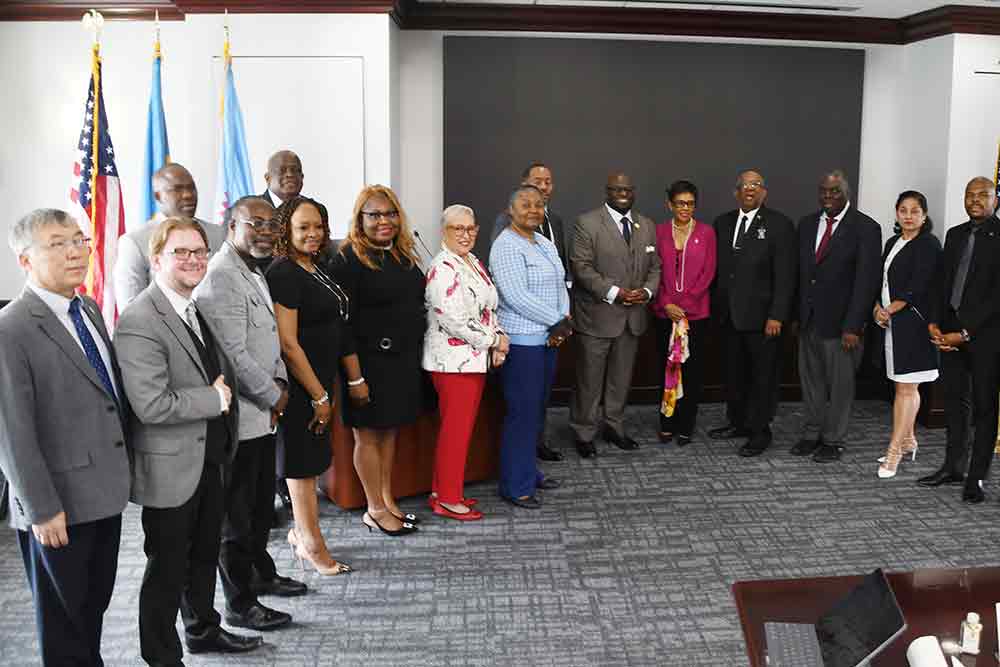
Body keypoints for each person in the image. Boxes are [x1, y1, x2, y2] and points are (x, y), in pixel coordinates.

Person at [114, 218, 262, 664]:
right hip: (171, 469)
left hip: (208, 459)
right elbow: (151, 405)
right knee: (166, 568)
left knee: (202, 556)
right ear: (156, 260)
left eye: (199, 251)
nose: (194, 259)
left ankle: (202, 630)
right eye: (181, 252)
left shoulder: (191, 306)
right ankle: (161, 656)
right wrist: (213, 399)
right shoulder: (140, 319)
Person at [0, 209, 130, 665]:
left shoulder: (87, 307)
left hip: (103, 492)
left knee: (91, 610)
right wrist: (41, 507)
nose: (76, 251)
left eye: (79, 239)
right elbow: (11, 431)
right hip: (57, 505)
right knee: (62, 624)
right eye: (57, 243)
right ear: (25, 260)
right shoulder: (10, 328)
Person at [192, 195, 306, 632]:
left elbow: (268, 340)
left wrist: (279, 386)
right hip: (241, 419)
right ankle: (242, 603)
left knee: (259, 510)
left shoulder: (252, 270)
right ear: (230, 226)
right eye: (253, 223)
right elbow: (233, 355)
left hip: (264, 414)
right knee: (236, 518)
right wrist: (272, 393)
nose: (264, 231)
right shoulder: (221, 277)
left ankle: (263, 574)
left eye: (269, 224)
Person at [267, 196, 361, 570]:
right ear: (286, 230)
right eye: (303, 227)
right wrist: (319, 395)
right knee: (301, 466)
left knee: (313, 460)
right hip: (302, 385)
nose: (313, 234)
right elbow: (288, 344)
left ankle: (302, 533)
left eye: (318, 226)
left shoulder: (315, 267)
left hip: (322, 379)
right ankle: (311, 543)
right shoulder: (284, 273)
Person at [329, 185, 425, 535]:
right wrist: (355, 379)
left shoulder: (401, 254)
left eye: (389, 213)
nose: (384, 221)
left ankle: (387, 499)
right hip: (366, 364)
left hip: (400, 362)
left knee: (389, 433)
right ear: (360, 219)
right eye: (374, 215)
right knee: (367, 435)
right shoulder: (347, 259)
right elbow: (342, 324)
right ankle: (373, 508)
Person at [424, 204, 509, 520]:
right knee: (455, 432)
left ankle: (442, 490)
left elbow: (487, 309)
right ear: (444, 232)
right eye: (457, 229)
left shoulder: (471, 261)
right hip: (452, 364)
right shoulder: (443, 268)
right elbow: (455, 321)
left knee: (458, 430)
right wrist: (494, 341)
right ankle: (448, 499)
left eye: (470, 228)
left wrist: (500, 339)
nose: (465, 234)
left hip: (472, 360)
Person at [569, 172, 661, 458]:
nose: (622, 193)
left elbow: (655, 265)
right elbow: (581, 267)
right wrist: (614, 292)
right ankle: (583, 432)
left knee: (620, 379)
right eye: (616, 189)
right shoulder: (587, 223)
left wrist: (646, 292)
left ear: (633, 192)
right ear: (607, 191)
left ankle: (614, 427)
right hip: (598, 316)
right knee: (589, 380)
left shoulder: (645, 224)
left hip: (632, 317)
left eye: (627, 189)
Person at [920, 177, 1000, 503]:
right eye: (970, 195)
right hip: (949, 335)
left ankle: (977, 477)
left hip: (986, 338)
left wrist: (967, 333)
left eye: (983, 195)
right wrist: (935, 323)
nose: (975, 200)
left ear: (996, 199)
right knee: (955, 403)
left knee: (984, 407)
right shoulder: (954, 235)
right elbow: (943, 284)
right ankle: (953, 466)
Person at [490, 185, 570, 508]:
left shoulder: (545, 244)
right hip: (522, 345)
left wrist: (561, 320)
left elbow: (563, 281)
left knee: (536, 412)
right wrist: (556, 321)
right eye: (525, 204)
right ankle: (515, 485)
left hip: (549, 340)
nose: (533, 210)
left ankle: (529, 471)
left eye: (539, 205)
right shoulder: (505, 246)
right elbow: (516, 296)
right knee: (521, 414)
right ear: (511, 210)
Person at [795, 170, 881, 463]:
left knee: (840, 386)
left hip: (843, 326)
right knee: (812, 383)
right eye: (824, 191)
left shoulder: (866, 228)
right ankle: (812, 432)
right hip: (808, 321)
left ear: (847, 193)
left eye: (834, 191)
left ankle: (833, 439)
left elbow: (866, 282)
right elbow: (802, 275)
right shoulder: (807, 225)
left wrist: (854, 325)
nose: (828, 197)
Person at [709, 170, 797, 457]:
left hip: (763, 319)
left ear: (764, 192)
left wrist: (777, 315)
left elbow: (786, 276)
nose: (750, 189)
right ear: (736, 192)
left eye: (756, 185)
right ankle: (738, 423)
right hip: (727, 317)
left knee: (763, 377)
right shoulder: (722, 223)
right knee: (734, 374)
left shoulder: (779, 224)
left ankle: (760, 431)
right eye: (745, 185)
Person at [872, 190, 941, 479]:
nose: (909, 216)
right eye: (903, 210)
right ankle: (909, 439)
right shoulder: (893, 242)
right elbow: (881, 280)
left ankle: (895, 451)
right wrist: (877, 307)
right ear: (897, 213)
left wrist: (890, 309)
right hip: (893, 324)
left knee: (906, 388)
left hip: (913, 324)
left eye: (915, 211)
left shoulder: (929, 244)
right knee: (903, 385)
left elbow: (918, 285)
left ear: (924, 215)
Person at [650, 180, 716, 447]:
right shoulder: (659, 232)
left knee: (692, 372)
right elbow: (653, 271)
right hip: (665, 314)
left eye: (690, 203)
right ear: (670, 204)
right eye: (680, 203)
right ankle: (667, 422)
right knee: (666, 369)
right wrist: (667, 303)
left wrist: (685, 305)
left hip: (695, 316)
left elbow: (708, 272)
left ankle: (686, 424)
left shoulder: (707, 233)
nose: (685, 208)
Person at [114, 163, 226, 310]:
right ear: (158, 196)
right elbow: (130, 309)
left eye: (191, 188)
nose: (188, 195)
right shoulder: (135, 242)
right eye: (177, 189)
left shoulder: (219, 234)